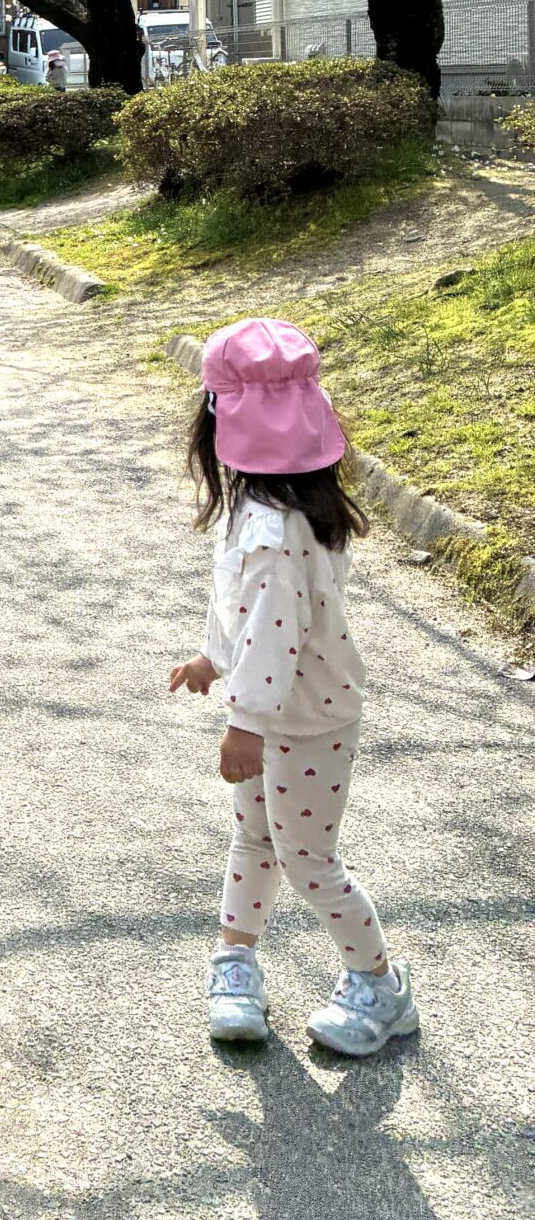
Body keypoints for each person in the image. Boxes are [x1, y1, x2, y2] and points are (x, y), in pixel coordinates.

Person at [168, 321, 416, 1056]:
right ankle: (236, 959)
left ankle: (381, 984)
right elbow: (240, 611)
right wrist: (213, 659)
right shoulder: (271, 510)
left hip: (304, 723)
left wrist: (244, 720)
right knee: (252, 836)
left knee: (308, 859)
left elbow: (276, 632)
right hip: (278, 710)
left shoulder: (277, 530)